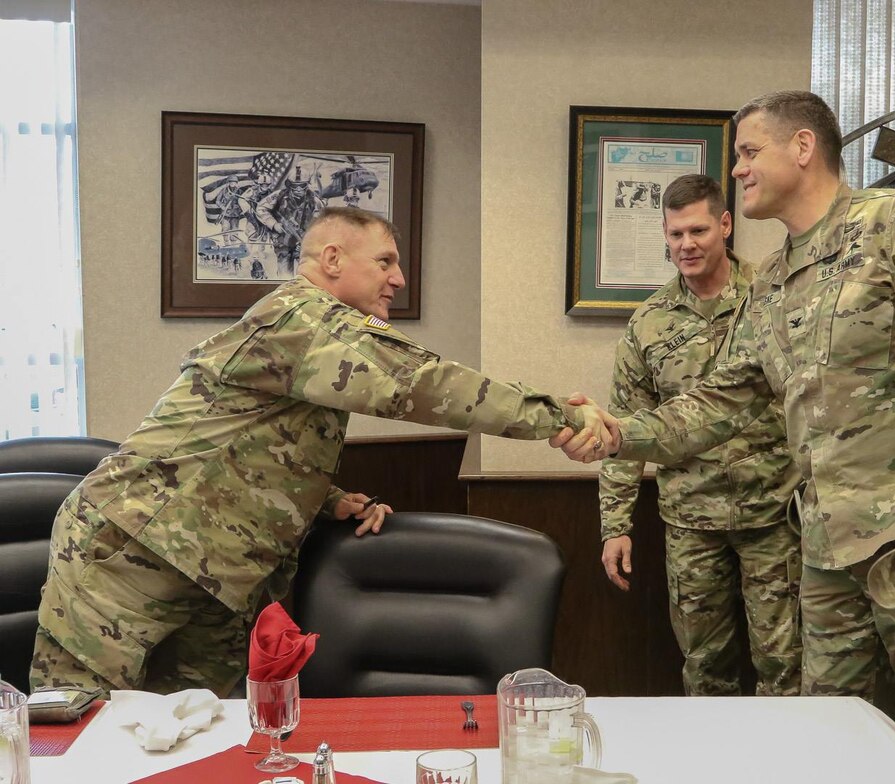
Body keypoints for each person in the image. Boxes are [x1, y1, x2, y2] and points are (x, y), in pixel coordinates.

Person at [556, 91, 895, 757]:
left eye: (749, 152)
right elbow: (721, 402)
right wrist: (617, 433)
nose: (739, 168)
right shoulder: (775, 281)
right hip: (828, 557)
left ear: (802, 148)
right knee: (833, 742)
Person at [31, 206, 599, 697]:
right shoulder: (301, 319)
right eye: (385, 261)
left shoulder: (316, 335)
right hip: (128, 555)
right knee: (78, 729)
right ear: (332, 259)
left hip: (214, 571)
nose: (399, 278)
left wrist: (326, 501)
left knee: (192, 726)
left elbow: (247, 443)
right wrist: (560, 418)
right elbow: (423, 384)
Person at [600, 173, 802, 696]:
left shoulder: (774, 299)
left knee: (786, 664)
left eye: (698, 230)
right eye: (675, 235)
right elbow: (629, 427)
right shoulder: (648, 324)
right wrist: (615, 525)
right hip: (691, 519)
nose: (686, 245)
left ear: (726, 225)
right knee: (705, 667)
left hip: (774, 513)